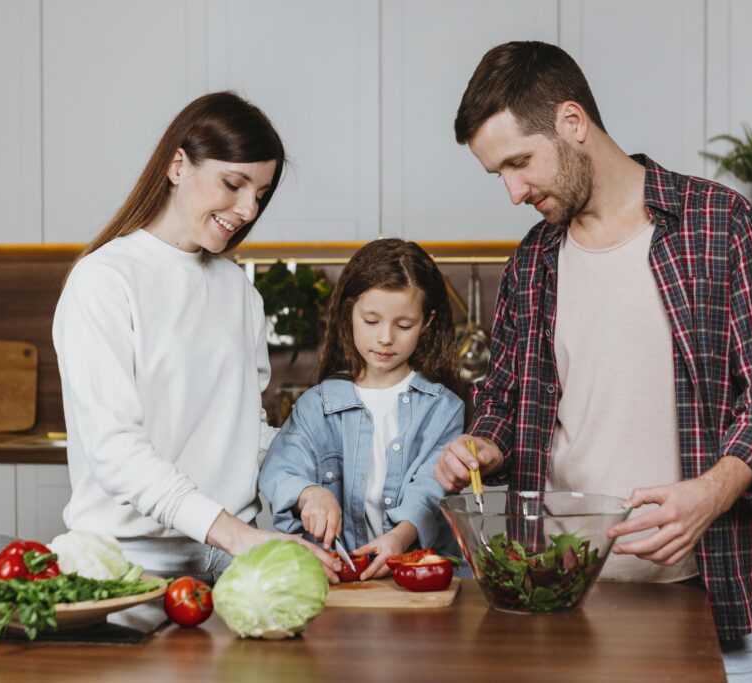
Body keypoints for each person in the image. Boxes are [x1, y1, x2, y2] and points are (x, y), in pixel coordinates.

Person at [433, 42, 752, 681]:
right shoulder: (532, 262)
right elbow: (503, 399)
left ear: (573, 123)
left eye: (519, 163)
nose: (514, 192)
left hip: (704, 595)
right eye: (499, 175)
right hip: (561, 598)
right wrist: (484, 444)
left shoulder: (716, 222)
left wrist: (711, 493)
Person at [53, 91, 338, 585]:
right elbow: (116, 451)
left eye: (261, 193)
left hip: (232, 561)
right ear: (178, 165)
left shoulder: (239, 291)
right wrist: (236, 535)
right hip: (127, 566)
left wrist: (303, 485)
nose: (248, 209)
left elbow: (243, 434)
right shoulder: (104, 280)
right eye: (234, 183)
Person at [259, 239, 464, 580]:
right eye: (371, 320)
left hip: (421, 577)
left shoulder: (443, 408)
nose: (385, 337)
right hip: (336, 579)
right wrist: (311, 494)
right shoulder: (316, 406)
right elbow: (280, 469)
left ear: (427, 323)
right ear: (348, 313)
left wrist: (400, 536)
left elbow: (430, 489)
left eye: (403, 325)